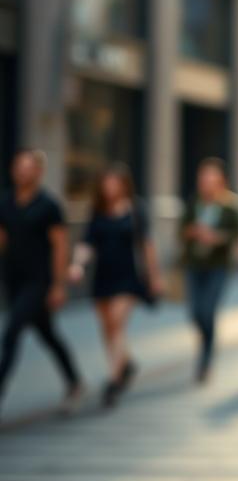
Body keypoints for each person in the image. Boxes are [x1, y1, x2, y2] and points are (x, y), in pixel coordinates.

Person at [68, 163, 163, 407]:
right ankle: (126, 363)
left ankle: (113, 378)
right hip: (103, 276)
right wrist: (78, 265)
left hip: (128, 277)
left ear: (123, 184)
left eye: (114, 183)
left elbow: (146, 245)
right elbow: (87, 242)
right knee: (107, 326)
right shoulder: (98, 209)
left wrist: (154, 276)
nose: (110, 188)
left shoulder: (136, 209)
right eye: (106, 183)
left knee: (116, 322)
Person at [0, 149, 84, 416]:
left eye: (28, 167)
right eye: (18, 166)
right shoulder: (5, 202)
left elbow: (60, 246)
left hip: (39, 282)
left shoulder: (49, 206)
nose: (22, 171)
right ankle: (74, 381)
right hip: (14, 280)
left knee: (11, 333)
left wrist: (58, 286)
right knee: (47, 334)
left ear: (38, 172)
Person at [179, 157, 238, 383]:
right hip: (194, 264)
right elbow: (181, 230)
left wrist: (216, 238)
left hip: (218, 266)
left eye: (211, 179)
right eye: (203, 179)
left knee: (207, 310)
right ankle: (206, 341)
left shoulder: (231, 206)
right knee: (195, 312)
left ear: (221, 182)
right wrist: (194, 232)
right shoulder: (194, 203)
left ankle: (206, 358)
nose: (206, 183)